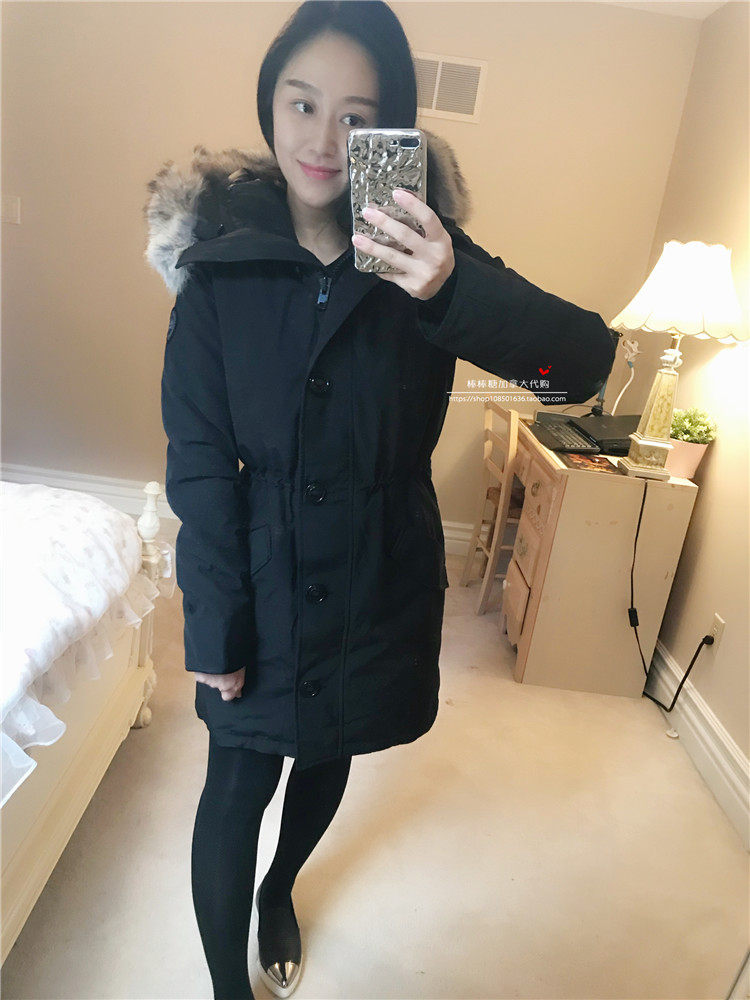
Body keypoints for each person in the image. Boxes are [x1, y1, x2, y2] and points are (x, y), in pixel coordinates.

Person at [144, 3, 616, 997]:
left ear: (393, 127)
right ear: (270, 106)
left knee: (328, 754)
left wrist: (450, 288)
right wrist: (216, 625)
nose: (324, 137)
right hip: (261, 575)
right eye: (302, 103)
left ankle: (281, 888)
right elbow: (200, 466)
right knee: (236, 781)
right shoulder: (218, 270)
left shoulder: (423, 250)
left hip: (376, 574)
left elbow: (576, 369)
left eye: (357, 117)